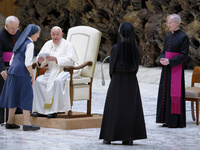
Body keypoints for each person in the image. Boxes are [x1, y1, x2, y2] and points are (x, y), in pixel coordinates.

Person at [99, 22, 147, 145]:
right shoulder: (135, 48)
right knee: (130, 108)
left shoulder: (116, 48)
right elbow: (136, 66)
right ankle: (128, 137)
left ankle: (109, 136)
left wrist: (114, 77)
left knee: (114, 107)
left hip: (117, 79)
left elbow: (112, 66)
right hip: (131, 80)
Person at [31, 26, 79, 118]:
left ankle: (54, 110)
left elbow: (71, 61)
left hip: (64, 70)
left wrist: (56, 59)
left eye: (57, 34)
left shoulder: (68, 45)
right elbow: (41, 59)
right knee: (39, 81)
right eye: (53, 34)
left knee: (57, 81)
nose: (55, 37)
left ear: (62, 35)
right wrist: (40, 61)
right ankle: (41, 110)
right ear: (50, 35)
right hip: (51, 71)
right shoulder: (47, 44)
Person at [0, 24, 41, 131]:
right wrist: (32, 75)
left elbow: (11, 60)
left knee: (13, 95)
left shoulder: (20, 41)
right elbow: (28, 62)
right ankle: (27, 123)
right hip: (22, 72)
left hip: (12, 71)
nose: (38, 36)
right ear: (33, 33)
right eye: (38, 33)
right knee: (27, 95)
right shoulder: (30, 44)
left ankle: (10, 121)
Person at [156, 14, 189, 128]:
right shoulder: (168, 37)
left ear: (177, 23)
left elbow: (185, 56)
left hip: (176, 70)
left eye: (170, 23)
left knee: (173, 94)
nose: (168, 25)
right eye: (167, 23)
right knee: (165, 93)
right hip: (166, 70)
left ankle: (174, 121)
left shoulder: (183, 37)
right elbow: (164, 51)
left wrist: (170, 61)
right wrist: (162, 58)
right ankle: (165, 119)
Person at [0, 16, 21, 124]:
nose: (15, 31)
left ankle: (15, 118)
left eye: (16, 28)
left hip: (17, 66)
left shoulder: (17, 32)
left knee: (17, 92)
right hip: (4, 67)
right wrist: (1, 70)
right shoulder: (0, 35)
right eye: (13, 28)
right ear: (6, 26)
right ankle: (1, 119)